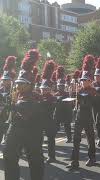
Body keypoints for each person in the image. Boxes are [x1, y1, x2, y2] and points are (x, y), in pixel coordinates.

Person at [4, 49, 44, 180]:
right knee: (9, 155)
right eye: (18, 83)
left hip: (32, 132)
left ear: (29, 85)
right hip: (14, 129)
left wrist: (13, 105)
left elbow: (26, 113)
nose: (18, 85)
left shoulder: (35, 97)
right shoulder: (16, 95)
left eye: (21, 83)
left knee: (35, 160)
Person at [67, 55, 97, 169]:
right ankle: (74, 161)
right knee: (76, 139)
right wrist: (72, 94)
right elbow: (75, 103)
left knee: (90, 138)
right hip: (79, 116)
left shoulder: (93, 91)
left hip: (89, 116)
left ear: (90, 81)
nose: (83, 82)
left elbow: (95, 103)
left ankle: (92, 158)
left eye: (86, 80)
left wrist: (90, 97)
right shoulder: (79, 90)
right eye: (83, 80)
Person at [39, 60, 58, 164]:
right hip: (41, 121)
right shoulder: (40, 97)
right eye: (42, 88)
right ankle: (40, 155)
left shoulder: (52, 98)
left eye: (45, 88)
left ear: (49, 89)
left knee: (50, 140)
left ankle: (52, 157)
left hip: (50, 121)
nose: (43, 90)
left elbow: (49, 107)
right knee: (39, 139)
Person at [54, 66, 73, 143]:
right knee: (55, 126)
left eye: (62, 86)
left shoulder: (67, 94)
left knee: (67, 126)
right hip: (58, 112)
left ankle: (69, 138)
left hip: (66, 112)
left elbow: (69, 103)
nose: (60, 87)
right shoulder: (56, 94)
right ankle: (52, 137)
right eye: (59, 86)